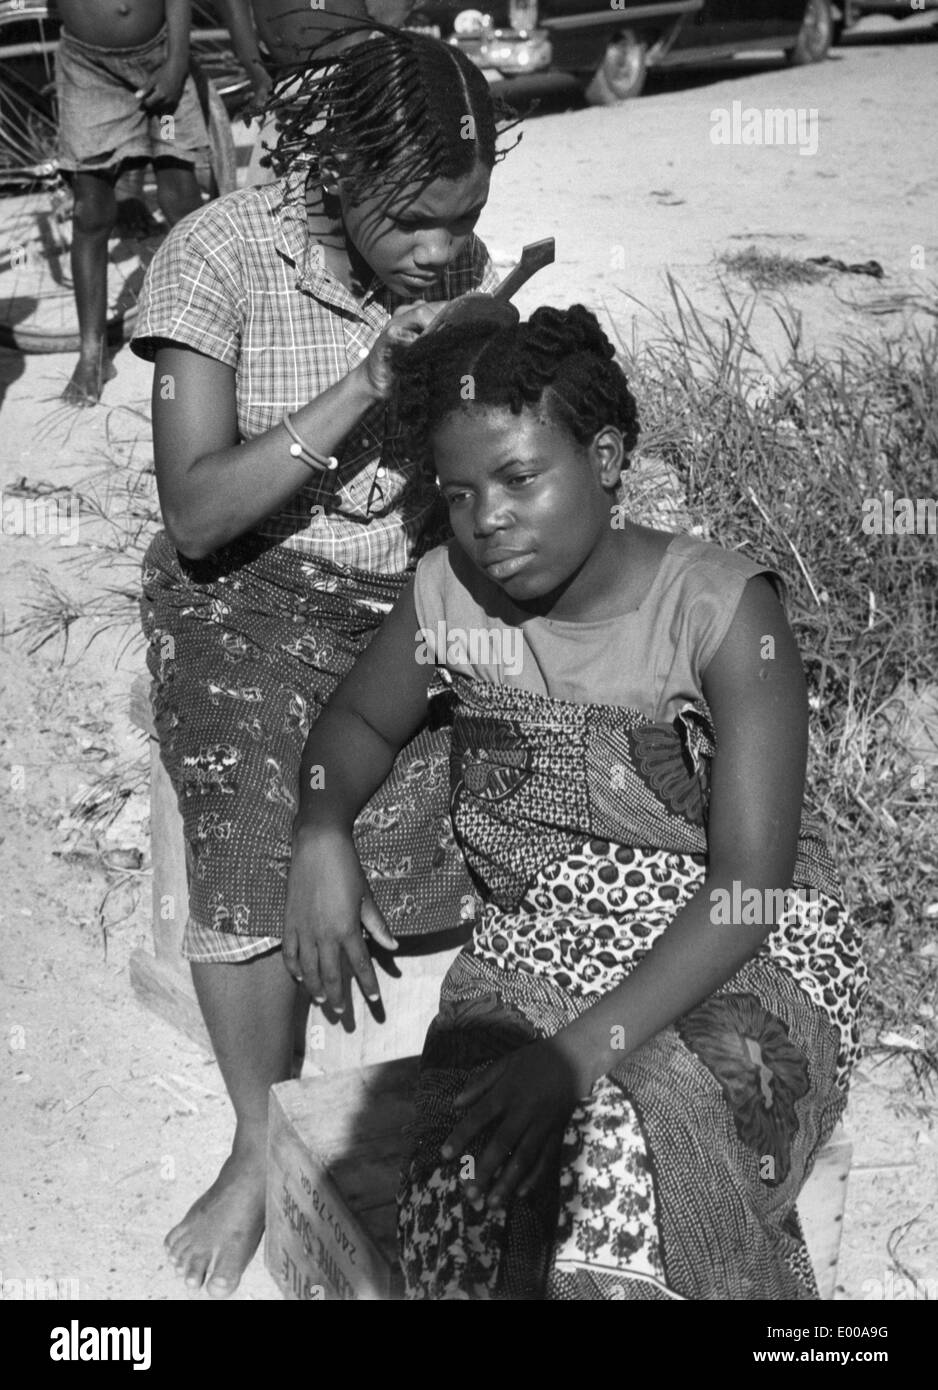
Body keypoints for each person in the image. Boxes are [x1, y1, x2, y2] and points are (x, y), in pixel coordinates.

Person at [285, 304, 868, 1300]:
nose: (487, 519)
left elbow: (749, 886)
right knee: (478, 1169)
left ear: (604, 457)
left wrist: (572, 1057)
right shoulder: (450, 596)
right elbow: (354, 728)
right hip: (540, 941)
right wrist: (320, 826)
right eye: (458, 493)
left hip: (738, 947)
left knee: (623, 1147)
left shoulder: (720, 611)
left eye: (519, 477)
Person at [130, 22, 516, 1297]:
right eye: (410, 218)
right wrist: (365, 381)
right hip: (241, 593)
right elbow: (196, 513)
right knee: (249, 825)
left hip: (398, 600)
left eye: (462, 217)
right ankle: (259, 1137)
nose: (437, 247)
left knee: (475, 829)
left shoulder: (453, 264)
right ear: (338, 169)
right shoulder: (221, 253)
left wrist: (492, 351)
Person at [55, 1, 213, 406]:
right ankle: (92, 353)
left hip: (159, 60)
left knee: (179, 195)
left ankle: (208, 331)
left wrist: (177, 61)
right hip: (89, 73)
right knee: (91, 210)